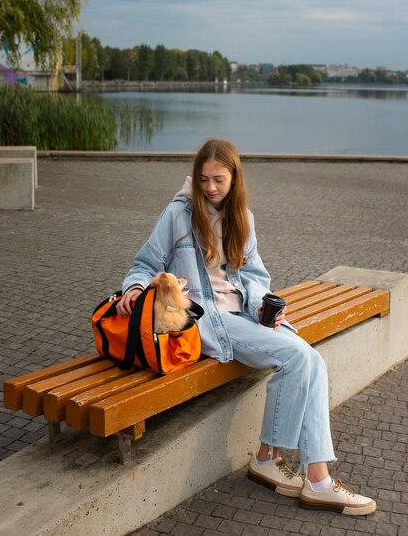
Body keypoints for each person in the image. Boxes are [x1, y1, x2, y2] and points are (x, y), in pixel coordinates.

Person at [117, 138, 376, 516]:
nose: (210, 187)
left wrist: (263, 306)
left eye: (219, 179)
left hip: (244, 314)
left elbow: (254, 275)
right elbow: (143, 263)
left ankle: (280, 463)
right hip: (206, 320)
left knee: (311, 359)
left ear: (234, 178)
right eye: (204, 179)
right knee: (296, 356)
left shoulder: (243, 218)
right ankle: (305, 475)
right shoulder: (178, 215)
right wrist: (136, 288)